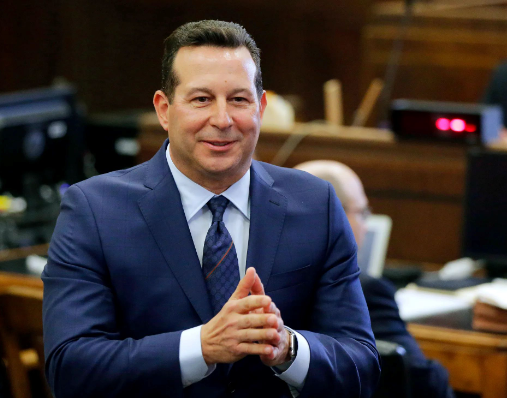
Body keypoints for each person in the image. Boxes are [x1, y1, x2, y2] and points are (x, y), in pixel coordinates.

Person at [42, 20, 380, 398]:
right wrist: (201, 347)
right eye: (201, 99)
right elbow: (70, 369)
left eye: (238, 100)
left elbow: (361, 368)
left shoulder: (317, 204)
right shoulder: (95, 210)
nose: (222, 120)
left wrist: (287, 347)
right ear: (164, 109)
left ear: (261, 107)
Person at [295, 160, 455, 398]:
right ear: (333, 215)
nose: (366, 226)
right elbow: (424, 382)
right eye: (362, 212)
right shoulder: (364, 290)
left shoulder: (256, 277)